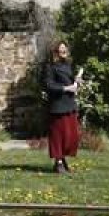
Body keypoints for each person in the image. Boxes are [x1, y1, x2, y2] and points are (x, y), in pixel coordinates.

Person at [43, 41, 82, 174]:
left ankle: (62, 159)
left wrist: (77, 82)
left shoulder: (68, 66)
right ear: (56, 53)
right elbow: (49, 86)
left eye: (65, 50)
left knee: (71, 136)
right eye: (61, 51)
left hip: (70, 104)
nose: (64, 52)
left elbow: (72, 85)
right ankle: (59, 162)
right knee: (58, 136)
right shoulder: (50, 67)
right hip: (58, 106)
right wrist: (66, 88)